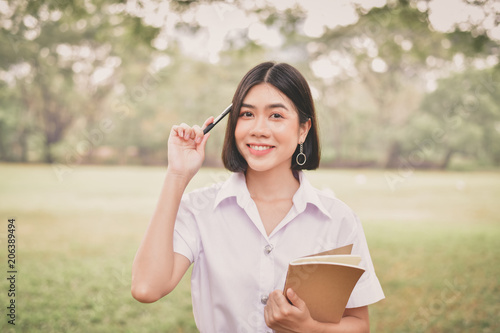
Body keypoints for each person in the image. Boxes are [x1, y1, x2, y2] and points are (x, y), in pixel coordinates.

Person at [131, 62, 384, 332]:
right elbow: (146, 288)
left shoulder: (338, 220)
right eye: (247, 114)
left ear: (303, 129)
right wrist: (177, 175)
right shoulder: (199, 210)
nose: (259, 129)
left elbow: (358, 325)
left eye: (276, 116)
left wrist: (308, 327)